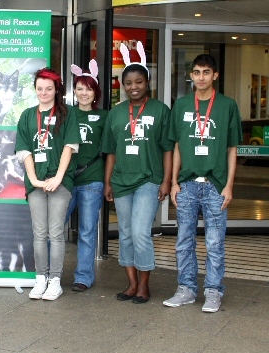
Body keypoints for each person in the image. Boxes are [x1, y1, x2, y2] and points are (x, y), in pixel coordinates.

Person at [164, 54, 242, 313]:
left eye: (206, 72)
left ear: (215, 75)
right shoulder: (182, 105)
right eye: (196, 72)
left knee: (214, 242)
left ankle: (213, 291)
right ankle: (186, 289)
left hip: (215, 184)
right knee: (184, 240)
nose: (200, 77)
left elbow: (232, 149)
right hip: (186, 184)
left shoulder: (227, 106)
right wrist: (174, 182)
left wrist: (229, 185)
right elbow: (176, 146)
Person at [102, 42, 173, 304]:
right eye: (129, 82)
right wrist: (107, 181)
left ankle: (145, 284)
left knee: (142, 233)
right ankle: (131, 283)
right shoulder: (116, 114)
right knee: (126, 233)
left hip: (148, 179)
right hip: (121, 181)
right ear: (123, 85)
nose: (134, 87)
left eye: (139, 82)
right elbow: (110, 151)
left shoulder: (160, 110)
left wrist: (165, 181)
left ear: (147, 83)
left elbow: (167, 148)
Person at [15, 68, 80, 301]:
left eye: (49, 89)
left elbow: (69, 147)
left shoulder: (67, 113)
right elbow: (24, 151)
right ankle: (40, 278)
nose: (44, 92)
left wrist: (59, 178)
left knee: (55, 233)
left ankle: (55, 280)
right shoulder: (27, 115)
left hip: (59, 181)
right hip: (36, 183)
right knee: (39, 233)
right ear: (35, 89)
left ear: (57, 90)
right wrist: (33, 180)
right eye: (40, 88)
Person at [66, 60, 107, 292]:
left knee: (87, 230)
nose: (84, 93)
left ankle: (83, 276)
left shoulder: (104, 116)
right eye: (80, 88)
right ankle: (48, 274)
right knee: (55, 226)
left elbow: (110, 150)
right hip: (67, 179)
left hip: (92, 180)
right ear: (75, 91)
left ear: (95, 92)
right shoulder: (66, 114)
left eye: (89, 88)